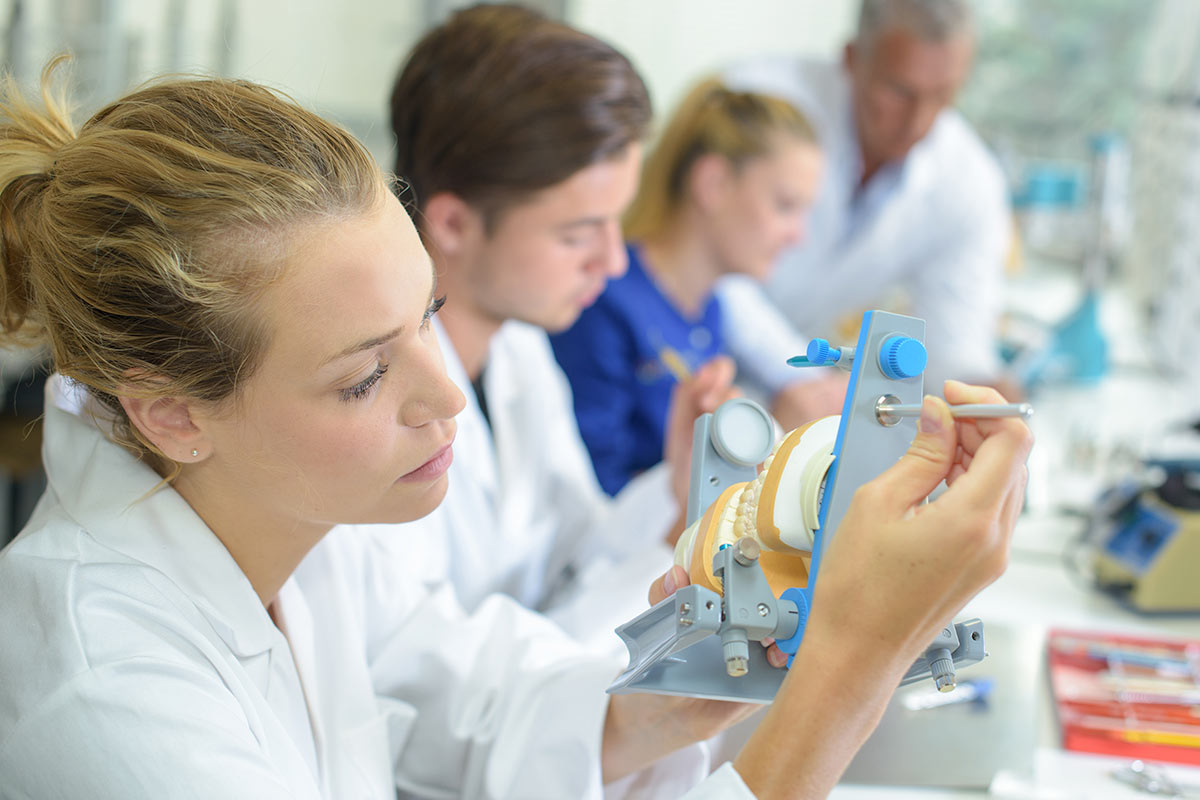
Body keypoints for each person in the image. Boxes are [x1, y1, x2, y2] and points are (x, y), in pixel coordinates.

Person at [0, 54, 1034, 800]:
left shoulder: (289, 528)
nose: (446, 393)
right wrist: (853, 654)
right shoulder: (110, 701)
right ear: (171, 412)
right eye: (366, 375)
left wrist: (712, 663)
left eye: (429, 320)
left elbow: (468, 693)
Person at [380, 5, 735, 636]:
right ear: (454, 223)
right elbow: (450, 686)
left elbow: (573, 564)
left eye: (616, 221)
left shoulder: (519, 351)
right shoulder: (372, 404)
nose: (614, 259)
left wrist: (682, 497)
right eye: (578, 234)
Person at [717, 0, 1019, 422]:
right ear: (853, 59)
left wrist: (984, 401)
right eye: (899, 91)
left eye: (944, 95)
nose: (919, 120)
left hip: (797, 397)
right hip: (687, 357)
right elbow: (709, 270)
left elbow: (954, 345)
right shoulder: (756, 104)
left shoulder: (968, 181)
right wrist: (796, 376)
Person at [550, 78, 845, 496]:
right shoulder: (603, 303)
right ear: (714, 184)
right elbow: (591, 497)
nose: (798, 236)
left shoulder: (711, 310)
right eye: (784, 206)